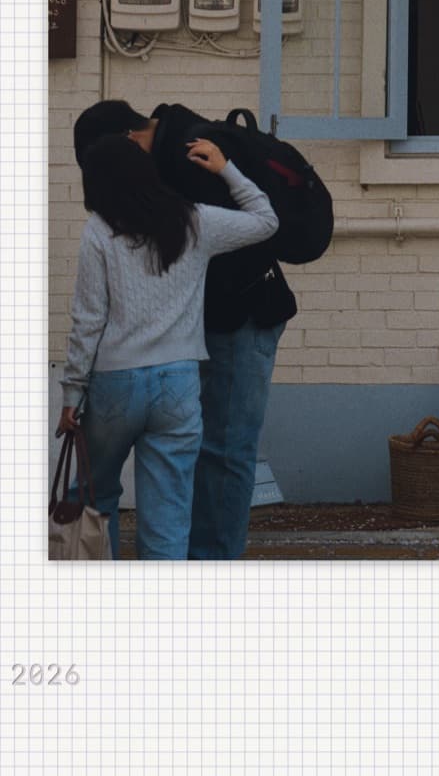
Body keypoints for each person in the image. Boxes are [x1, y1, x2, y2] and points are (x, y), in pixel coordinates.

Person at [71, 99, 299, 559]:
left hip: (115, 382)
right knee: (168, 521)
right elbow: (265, 220)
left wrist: (70, 396)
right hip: (177, 382)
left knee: (97, 498)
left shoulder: (98, 231)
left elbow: (88, 321)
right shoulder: (193, 220)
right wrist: (228, 171)